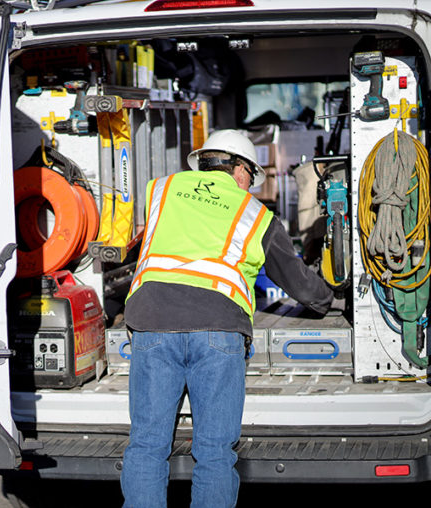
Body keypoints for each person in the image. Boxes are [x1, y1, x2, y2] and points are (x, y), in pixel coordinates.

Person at [120, 129, 336, 507]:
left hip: (152, 321)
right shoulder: (256, 215)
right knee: (216, 452)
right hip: (218, 329)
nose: (250, 185)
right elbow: (300, 285)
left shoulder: (160, 190)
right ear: (239, 170)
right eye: (251, 176)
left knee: (147, 445)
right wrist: (328, 298)